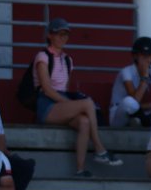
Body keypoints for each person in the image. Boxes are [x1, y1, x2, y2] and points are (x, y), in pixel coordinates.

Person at [33, 17, 123, 177]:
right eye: (59, 34)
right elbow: (47, 90)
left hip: (60, 103)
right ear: (50, 36)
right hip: (46, 105)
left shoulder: (68, 60)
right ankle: (100, 149)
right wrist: (71, 105)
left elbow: (64, 88)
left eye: (65, 34)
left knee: (84, 121)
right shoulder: (43, 57)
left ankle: (80, 170)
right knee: (87, 103)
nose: (63, 38)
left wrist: (71, 107)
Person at [110, 36, 151, 128]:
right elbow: (134, 101)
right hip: (118, 113)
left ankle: (137, 121)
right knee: (129, 102)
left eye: (150, 55)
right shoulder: (126, 71)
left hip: (138, 112)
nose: (148, 59)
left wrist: (143, 107)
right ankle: (138, 121)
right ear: (135, 56)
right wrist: (145, 77)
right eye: (144, 55)